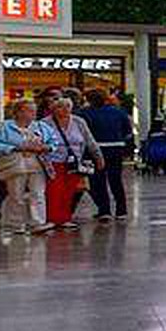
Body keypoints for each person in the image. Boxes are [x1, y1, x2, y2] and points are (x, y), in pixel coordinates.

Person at [0, 97, 55, 237]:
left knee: (38, 194)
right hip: (15, 165)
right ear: (19, 112)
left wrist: (46, 147)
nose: (33, 113)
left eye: (34, 111)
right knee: (16, 194)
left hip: (37, 164)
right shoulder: (5, 127)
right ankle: (16, 224)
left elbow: (53, 142)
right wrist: (17, 148)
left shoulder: (41, 126)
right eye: (29, 110)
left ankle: (38, 223)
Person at [41, 90, 98, 229]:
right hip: (53, 161)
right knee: (54, 190)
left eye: (68, 106)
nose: (65, 109)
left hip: (74, 162)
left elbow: (89, 139)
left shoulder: (78, 121)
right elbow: (40, 141)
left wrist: (98, 155)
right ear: (53, 109)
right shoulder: (45, 123)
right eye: (61, 107)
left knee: (69, 191)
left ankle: (65, 218)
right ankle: (52, 218)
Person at [82, 87, 133, 220]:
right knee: (116, 180)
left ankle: (104, 210)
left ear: (89, 100)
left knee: (97, 181)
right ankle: (121, 210)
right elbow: (128, 131)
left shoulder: (84, 113)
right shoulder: (119, 112)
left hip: (95, 149)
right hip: (116, 148)